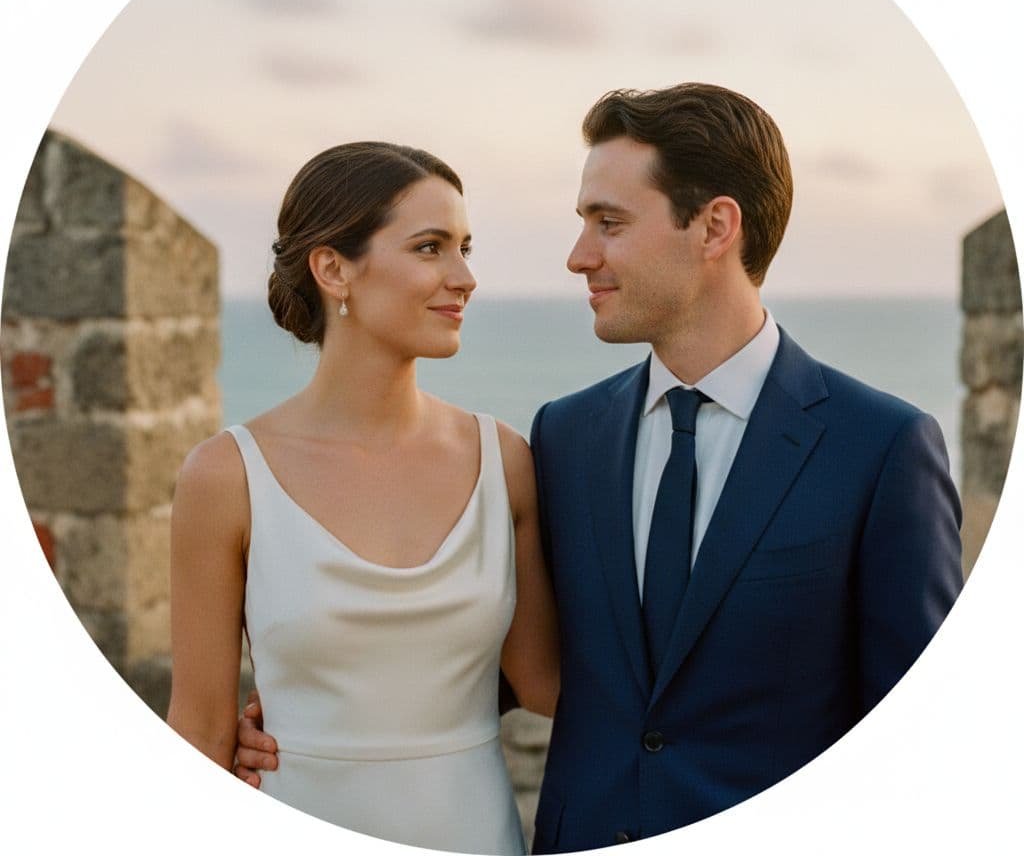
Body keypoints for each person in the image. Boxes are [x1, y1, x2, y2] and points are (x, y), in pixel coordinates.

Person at [236, 85, 964, 851]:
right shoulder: (567, 436)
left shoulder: (880, 449)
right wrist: (311, 711)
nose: (579, 255)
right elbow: (521, 658)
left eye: (608, 223)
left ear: (715, 227)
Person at [166, 141, 559, 856]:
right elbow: (198, 732)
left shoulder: (504, 461)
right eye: (431, 247)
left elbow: (546, 683)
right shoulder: (225, 477)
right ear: (333, 269)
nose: (465, 277)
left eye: (465, 248)